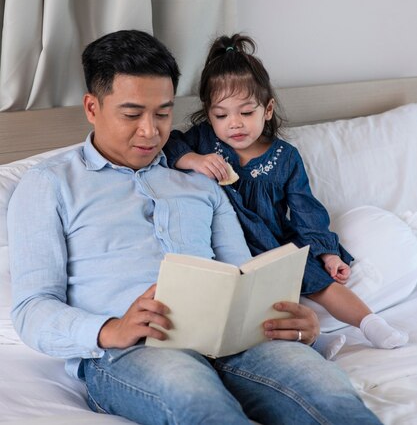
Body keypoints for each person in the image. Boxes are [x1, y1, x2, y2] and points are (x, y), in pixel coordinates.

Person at [7, 29, 382, 425]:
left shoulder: (201, 180)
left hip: (234, 341)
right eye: (132, 114)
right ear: (92, 107)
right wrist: (110, 329)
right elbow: (32, 308)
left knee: (332, 397)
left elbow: (242, 275)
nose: (151, 131)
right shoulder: (48, 184)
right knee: (200, 405)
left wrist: (302, 327)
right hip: (132, 350)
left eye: (163, 113)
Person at [165, 32, 409, 359]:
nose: (234, 124)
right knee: (248, 302)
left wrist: (327, 253)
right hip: (225, 245)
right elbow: (168, 143)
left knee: (319, 282)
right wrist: (193, 160)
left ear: (267, 110)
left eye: (246, 113)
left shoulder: (285, 157)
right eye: (221, 115)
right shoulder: (205, 142)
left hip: (274, 240)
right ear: (209, 115)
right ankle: (315, 343)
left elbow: (306, 209)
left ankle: (371, 325)